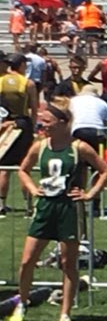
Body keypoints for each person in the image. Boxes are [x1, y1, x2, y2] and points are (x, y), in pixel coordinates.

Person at [5, 96, 107, 321]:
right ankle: (21, 304)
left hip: (68, 209)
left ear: (62, 122)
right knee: (27, 261)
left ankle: (65, 314)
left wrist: (89, 194)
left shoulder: (78, 147)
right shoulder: (40, 146)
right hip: (45, 208)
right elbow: (23, 170)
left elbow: (104, 170)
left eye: (47, 121)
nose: (43, 125)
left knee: (68, 263)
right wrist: (33, 189)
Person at [0, 52, 39, 218]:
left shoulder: (1, 81)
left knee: (3, 167)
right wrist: (34, 127)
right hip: (23, 124)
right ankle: (28, 205)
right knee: (25, 166)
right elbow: (34, 109)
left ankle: (1, 204)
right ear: (21, 65)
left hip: (6, 123)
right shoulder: (28, 83)